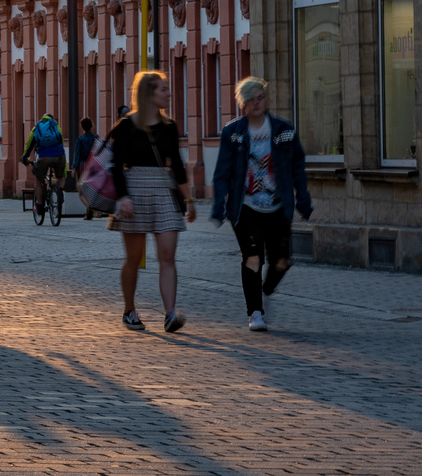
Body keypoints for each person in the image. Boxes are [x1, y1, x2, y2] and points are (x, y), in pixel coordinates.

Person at [211, 77, 312, 332]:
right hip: (245, 206)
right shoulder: (232, 133)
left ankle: (265, 292)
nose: (256, 103)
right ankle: (255, 312)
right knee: (253, 258)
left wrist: (303, 201)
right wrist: (217, 207)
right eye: (251, 99)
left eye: (260, 97)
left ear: (266, 100)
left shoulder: (284, 131)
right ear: (243, 103)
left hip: (278, 206)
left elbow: (298, 168)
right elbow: (222, 172)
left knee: (282, 261)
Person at [109, 71, 196, 333]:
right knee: (133, 258)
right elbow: (115, 166)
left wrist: (188, 199)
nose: (169, 93)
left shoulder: (169, 127)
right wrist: (123, 197)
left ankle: (170, 313)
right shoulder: (126, 125)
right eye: (163, 89)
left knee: (167, 256)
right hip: (134, 190)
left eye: (167, 89)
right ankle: (129, 309)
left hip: (163, 189)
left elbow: (178, 166)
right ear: (148, 94)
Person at [21, 112, 67, 215]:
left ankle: (40, 207)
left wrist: (24, 159)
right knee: (60, 177)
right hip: (59, 157)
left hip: (44, 158)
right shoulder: (57, 127)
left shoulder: (36, 128)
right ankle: (59, 193)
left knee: (38, 180)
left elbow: (29, 146)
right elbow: (61, 145)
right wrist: (63, 170)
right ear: (52, 119)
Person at [74, 117, 99, 220]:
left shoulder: (80, 139)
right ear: (92, 125)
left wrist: (74, 167)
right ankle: (91, 211)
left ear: (82, 127)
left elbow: (77, 154)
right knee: (93, 189)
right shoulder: (96, 137)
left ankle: (89, 208)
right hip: (94, 166)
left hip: (83, 166)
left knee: (81, 190)